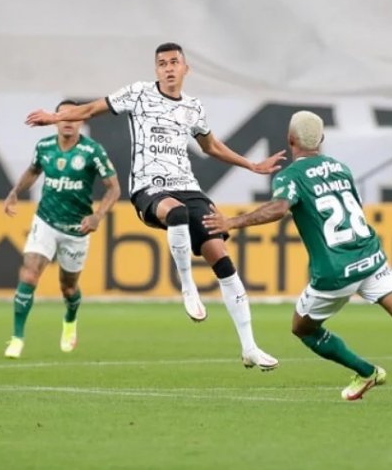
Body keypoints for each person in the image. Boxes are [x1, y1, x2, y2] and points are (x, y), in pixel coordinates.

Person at [202, 110, 392, 405]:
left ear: (290, 140)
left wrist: (231, 222)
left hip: (335, 272)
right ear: (321, 139)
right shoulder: (341, 168)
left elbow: (279, 208)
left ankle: (367, 372)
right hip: (371, 258)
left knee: (302, 329)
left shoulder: (291, 175)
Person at [26, 43, 285, 370]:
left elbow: (212, 146)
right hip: (150, 189)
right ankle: (188, 287)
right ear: (156, 69)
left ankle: (250, 347)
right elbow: (91, 109)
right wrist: (55, 117)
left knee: (221, 258)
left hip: (190, 188)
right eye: (162, 63)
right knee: (175, 213)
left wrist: (251, 165)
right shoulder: (139, 94)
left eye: (174, 62)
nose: (168, 68)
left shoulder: (193, 107)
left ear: (185, 68)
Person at [2, 100, 120, 359]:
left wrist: (97, 215)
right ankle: (17, 338)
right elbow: (33, 171)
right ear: (55, 119)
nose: (68, 120)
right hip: (45, 221)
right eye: (62, 115)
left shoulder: (92, 151)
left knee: (68, 288)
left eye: (74, 116)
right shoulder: (44, 146)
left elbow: (114, 188)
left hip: (77, 229)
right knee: (30, 275)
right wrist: (14, 192)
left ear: (82, 120)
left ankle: (69, 321)